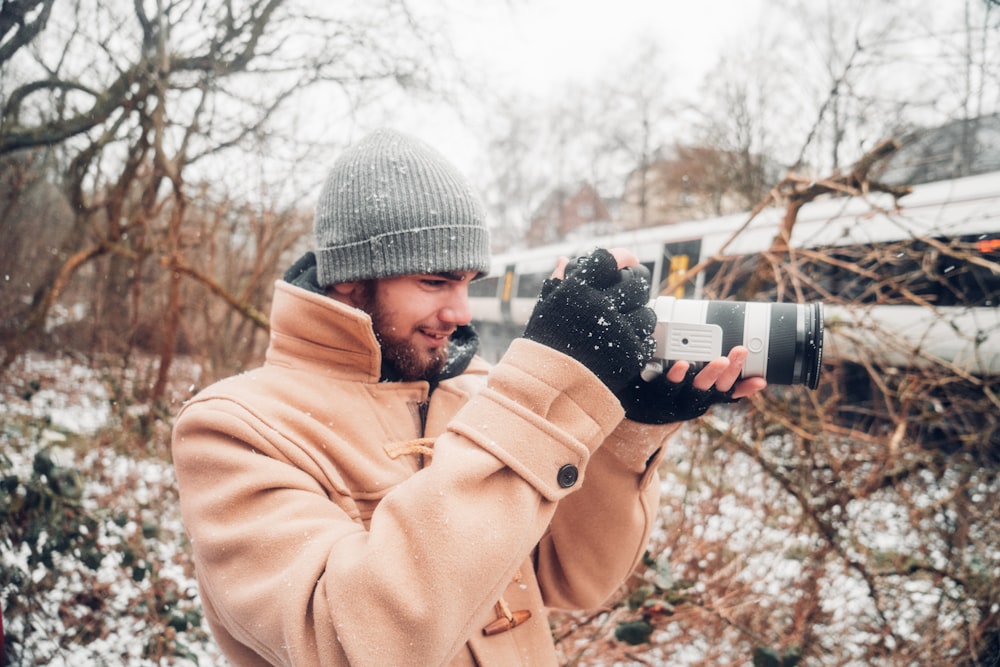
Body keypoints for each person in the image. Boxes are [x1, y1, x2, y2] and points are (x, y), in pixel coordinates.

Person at [171, 128, 766, 667]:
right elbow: (343, 644)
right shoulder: (234, 429)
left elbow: (572, 580)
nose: (459, 312)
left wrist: (626, 434)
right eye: (433, 281)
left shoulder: (478, 386)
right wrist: (540, 396)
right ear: (349, 280)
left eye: (465, 284)